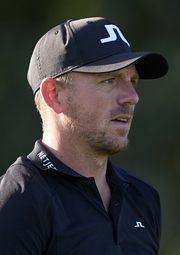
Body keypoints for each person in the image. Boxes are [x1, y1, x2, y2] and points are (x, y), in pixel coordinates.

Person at [0, 17, 168, 255]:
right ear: (54, 95)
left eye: (133, 81)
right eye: (110, 80)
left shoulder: (143, 198)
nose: (132, 96)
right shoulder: (19, 200)